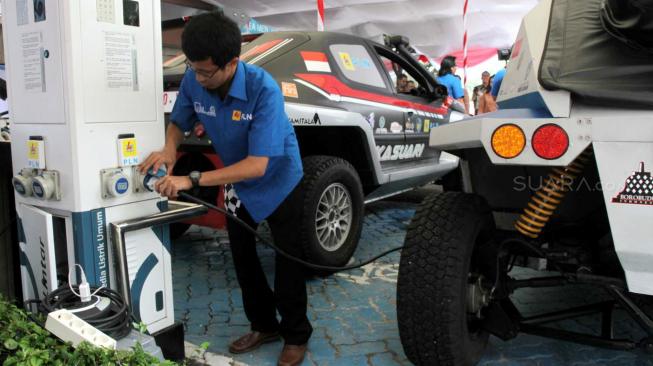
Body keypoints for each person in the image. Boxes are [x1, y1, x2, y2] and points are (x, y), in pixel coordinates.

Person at [139, 12, 311, 366]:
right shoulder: (194, 78)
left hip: (280, 182)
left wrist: (193, 179)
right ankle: (264, 325)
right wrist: (170, 148)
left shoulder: (264, 91)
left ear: (232, 63)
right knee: (243, 257)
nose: (198, 78)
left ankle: (296, 334)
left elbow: (258, 165)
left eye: (205, 72)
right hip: (239, 186)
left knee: (288, 260)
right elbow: (180, 122)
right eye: (193, 68)